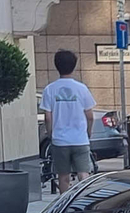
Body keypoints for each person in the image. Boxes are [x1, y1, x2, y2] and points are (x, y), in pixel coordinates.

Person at [40, 49, 98, 193]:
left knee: (63, 176)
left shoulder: (49, 89)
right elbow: (90, 116)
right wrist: (88, 132)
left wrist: (51, 134)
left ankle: (64, 205)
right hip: (80, 139)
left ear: (56, 65)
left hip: (60, 140)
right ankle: (83, 201)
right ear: (74, 66)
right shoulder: (82, 88)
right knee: (84, 173)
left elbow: (48, 116)